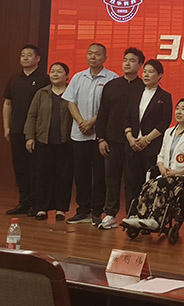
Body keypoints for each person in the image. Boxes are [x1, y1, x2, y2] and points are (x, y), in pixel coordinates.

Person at [122, 98, 184, 231]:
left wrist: (178, 172)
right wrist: (161, 166)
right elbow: (161, 155)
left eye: (183, 109)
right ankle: (139, 216)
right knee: (148, 185)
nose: (179, 112)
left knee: (162, 184)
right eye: (177, 108)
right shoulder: (169, 132)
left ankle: (156, 219)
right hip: (167, 174)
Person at [62, 43, 118, 225]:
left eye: (97, 54)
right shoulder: (78, 77)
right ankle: (83, 210)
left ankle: (97, 211)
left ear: (105, 57)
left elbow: (109, 108)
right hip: (79, 134)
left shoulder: (112, 79)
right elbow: (71, 102)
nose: (93, 57)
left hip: (100, 136)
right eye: (90, 53)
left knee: (100, 175)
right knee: (81, 174)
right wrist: (81, 122)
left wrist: (91, 122)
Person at [96, 47, 145, 230]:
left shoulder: (144, 88)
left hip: (134, 142)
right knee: (111, 178)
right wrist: (101, 138)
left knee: (132, 180)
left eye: (132, 60)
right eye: (125, 60)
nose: (127, 63)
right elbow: (103, 114)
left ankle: (132, 214)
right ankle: (110, 214)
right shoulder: (111, 86)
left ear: (140, 65)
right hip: (112, 140)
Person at [2, 44, 50, 216]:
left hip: (36, 132)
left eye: (29, 55)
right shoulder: (14, 78)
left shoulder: (44, 79)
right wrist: (6, 126)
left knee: (35, 168)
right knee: (20, 168)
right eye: (23, 55)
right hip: (16, 130)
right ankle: (23, 202)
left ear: (38, 59)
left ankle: (36, 204)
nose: (25, 58)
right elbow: (7, 103)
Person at [24, 62, 73, 221]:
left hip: (66, 142)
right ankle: (41, 208)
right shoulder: (41, 93)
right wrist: (30, 136)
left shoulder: (72, 93)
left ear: (67, 76)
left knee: (63, 177)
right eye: (52, 71)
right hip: (43, 141)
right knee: (42, 176)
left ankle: (61, 209)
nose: (55, 74)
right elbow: (32, 115)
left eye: (59, 71)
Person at [124, 59, 173, 216]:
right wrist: (130, 138)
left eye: (151, 71)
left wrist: (147, 139)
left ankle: (147, 216)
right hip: (133, 146)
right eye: (145, 71)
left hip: (151, 147)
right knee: (131, 182)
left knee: (149, 184)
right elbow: (127, 117)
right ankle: (131, 215)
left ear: (159, 75)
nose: (146, 74)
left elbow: (164, 122)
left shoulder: (164, 96)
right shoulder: (135, 93)